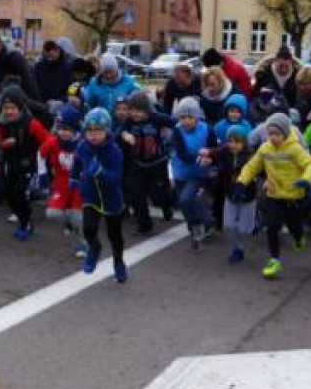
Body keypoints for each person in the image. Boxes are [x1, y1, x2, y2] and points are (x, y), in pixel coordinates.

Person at [237, 112, 311, 279]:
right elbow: (252, 166)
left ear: (285, 133)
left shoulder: (295, 148)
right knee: (272, 226)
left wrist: (306, 180)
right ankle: (274, 259)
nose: (273, 137)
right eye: (271, 134)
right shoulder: (265, 148)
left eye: (277, 134)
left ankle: (298, 237)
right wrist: (241, 182)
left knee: (294, 226)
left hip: (293, 195)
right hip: (273, 194)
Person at [70, 107, 126, 279]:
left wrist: (101, 172)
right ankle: (94, 248)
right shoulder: (82, 146)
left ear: (106, 130)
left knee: (114, 236)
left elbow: (116, 178)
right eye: (89, 131)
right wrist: (74, 179)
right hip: (91, 195)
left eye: (98, 130)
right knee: (88, 229)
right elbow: (77, 162)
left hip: (111, 198)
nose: (93, 135)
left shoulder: (114, 151)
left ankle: (118, 262)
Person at [0, 85, 51, 240]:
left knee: (20, 193)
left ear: (20, 107)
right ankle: (22, 218)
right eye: (6, 108)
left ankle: (26, 223)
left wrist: (43, 156)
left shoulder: (31, 123)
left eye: (12, 108)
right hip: (11, 164)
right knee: (8, 194)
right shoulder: (1, 124)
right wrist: (4, 145)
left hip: (29, 165)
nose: (9, 112)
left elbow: (48, 140)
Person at [120, 91, 175, 235]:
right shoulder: (129, 121)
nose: (135, 114)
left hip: (157, 163)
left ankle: (166, 206)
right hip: (137, 163)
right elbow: (121, 131)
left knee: (158, 195)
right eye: (132, 110)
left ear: (146, 110)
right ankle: (144, 225)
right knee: (135, 194)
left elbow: (175, 123)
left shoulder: (155, 117)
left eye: (139, 110)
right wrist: (126, 135)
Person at [170, 97, 216, 250]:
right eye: (183, 117)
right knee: (184, 204)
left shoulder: (207, 129)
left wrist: (210, 158)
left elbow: (214, 149)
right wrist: (200, 158)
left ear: (197, 116)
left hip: (197, 174)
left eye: (190, 117)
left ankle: (197, 227)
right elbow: (182, 154)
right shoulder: (177, 130)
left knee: (185, 199)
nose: (186, 121)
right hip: (180, 172)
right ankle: (204, 224)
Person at [41, 106, 85, 255]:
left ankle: (82, 245)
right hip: (60, 185)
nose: (63, 132)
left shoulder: (83, 144)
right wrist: (42, 174)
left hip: (79, 186)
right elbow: (40, 154)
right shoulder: (53, 142)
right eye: (60, 128)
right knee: (52, 213)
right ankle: (68, 223)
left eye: (67, 129)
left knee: (77, 218)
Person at [211, 125, 257, 263]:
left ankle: (255, 222)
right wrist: (206, 155)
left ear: (244, 142)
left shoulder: (251, 156)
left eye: (237, 142)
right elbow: (214, 154)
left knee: (244, 229)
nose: (233, 145)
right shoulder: (224, 152)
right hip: (230, 195)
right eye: (230, 141)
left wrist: (268, 180)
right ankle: (238, 249)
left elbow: (262, 170)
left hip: (247, 196)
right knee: (229, 226)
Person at [0, 32, 42, 105]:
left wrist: (36, 103)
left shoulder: (14, 57)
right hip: (6, 102)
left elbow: (29, 81)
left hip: (22, 102)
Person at [34, 39, 73, 107]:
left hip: (61, 104)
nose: (50, 58)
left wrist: (61, 100)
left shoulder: (67, 67)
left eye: (52, 55)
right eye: (48, 55)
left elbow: (71, 88)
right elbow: (34, 86)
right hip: (41, 104)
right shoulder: (39, 67)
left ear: (58, 51)